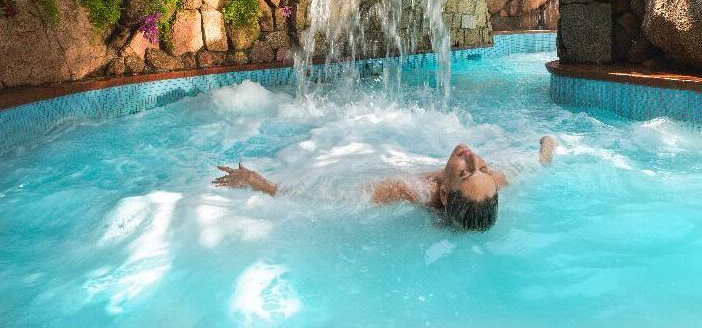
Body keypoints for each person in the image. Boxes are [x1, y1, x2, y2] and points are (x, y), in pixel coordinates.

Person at [213, 135, 557, 232]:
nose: (471, 158)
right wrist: (547, 146)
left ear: (442, 193)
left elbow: (338, 198)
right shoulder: (489, 185)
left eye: (466, 172)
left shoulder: (413, 190)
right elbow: (536, 164)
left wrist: (266, 186)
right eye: (481, 167)